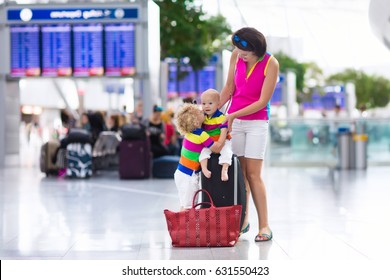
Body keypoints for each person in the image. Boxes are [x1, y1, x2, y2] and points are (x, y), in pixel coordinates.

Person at [219, 27, 279, 242]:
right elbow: (228, 89)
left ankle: (264, 226)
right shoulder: (236, 55)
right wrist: (211, 113)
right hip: (234, 120)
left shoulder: (271, 64)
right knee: (240, 175)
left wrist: (233, 115)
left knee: (254, 175)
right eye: (237, 50)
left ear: (256, 49)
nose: (239, 54)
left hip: (256, 122)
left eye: (244, 52)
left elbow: (262, 101)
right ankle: (243, 221)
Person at [174, 103, 225, 210]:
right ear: (195, 120)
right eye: (200, 113)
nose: (204, 112)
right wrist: (224, 130)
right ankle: (186, 226)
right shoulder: (200, 134)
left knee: (184, 205)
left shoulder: (190, 133)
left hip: (180, 173)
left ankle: (182, 226)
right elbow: (217, 148)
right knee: (189, 208)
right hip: (188, 175)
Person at [199, 89, 232, 181]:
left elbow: (224, 132)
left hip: (223, 141)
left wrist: (220, 143)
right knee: (203, 152)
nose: (206, 106)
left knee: (227, 152)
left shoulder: (221, 117)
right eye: (203, 103)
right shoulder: (203, 117)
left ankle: (224, 169)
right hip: (210, 143)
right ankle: (204, 169)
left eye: (210, 103)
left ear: (218, 104)